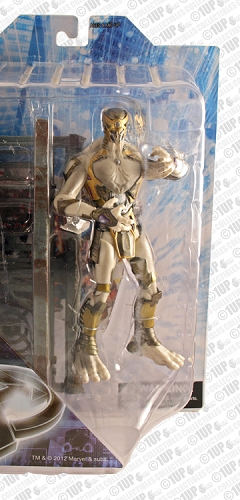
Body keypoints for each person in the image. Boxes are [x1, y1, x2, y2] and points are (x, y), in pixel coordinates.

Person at [53, 107, 188, 383]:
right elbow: (62, 202)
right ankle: (86, 346)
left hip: (133, 229)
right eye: (112, 126)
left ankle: (145, 340)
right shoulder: (86, 162)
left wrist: (172, 162)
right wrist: (98, 214)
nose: (117, 132)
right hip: (105, 231)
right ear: (104, 125)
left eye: (121, 126)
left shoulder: (137, 158)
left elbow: (178, 173)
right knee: (102, 292)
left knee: (151, 287)